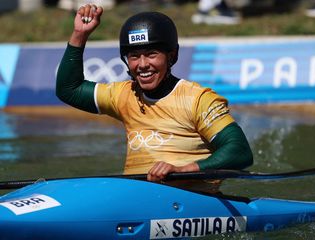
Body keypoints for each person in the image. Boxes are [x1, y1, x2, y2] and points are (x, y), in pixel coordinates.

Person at [56, 4, 253, 186]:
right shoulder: (123, 95)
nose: (142, 65)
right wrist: (79, 35)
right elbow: (68, 90)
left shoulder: (198, 100)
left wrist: (184, 170)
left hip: (190, 204)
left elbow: (240, 151)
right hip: (137, 199)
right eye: (134, 56)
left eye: (151, 54)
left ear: (172, 56)